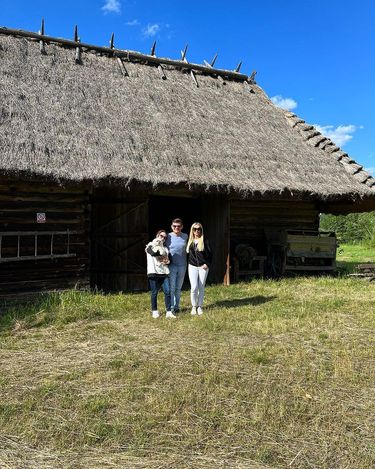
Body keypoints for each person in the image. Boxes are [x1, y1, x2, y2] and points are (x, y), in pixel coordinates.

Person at [145, 230, 176, 319]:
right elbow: (153, 253)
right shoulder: (150, 245)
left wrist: (167, 261)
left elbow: (170, 261)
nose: (162, 238)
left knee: (167, 292)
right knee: (154, 292)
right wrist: (162, 255)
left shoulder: (166, 249)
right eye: (161, 236)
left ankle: (169, 311)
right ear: (157, 235)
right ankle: (154, 311)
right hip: (153, 272)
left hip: (163, 272)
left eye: (165, 237)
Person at [186, 222, 212, 315]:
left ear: (201, 230)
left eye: (199, 229)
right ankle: (194, 306)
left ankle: (200, 306)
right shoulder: (189, 241)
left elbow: (211, 254)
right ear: (192, 230)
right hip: (192, 266)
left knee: (201, 287)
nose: (197, 231)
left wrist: (207, 264)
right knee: (194, 287)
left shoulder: (205, 240)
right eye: (195, 229)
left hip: (203, 267)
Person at [165, 218, 188, 314]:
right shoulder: (167, 236)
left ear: (182, 227)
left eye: (178, 226)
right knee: (172, 287)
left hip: (183, 265)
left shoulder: (185, 236)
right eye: (174, 226)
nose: (176, 228)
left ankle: (177, 306)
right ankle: (171, 307)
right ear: (171, 227)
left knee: (178, 287)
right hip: (172, 265)